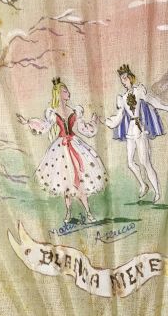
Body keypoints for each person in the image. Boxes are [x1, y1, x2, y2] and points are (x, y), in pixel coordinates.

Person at [21, 77, 105, 221]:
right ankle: (68, 212)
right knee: (66, 182)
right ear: (59, 94)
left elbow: (83, 128)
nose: (68, 93)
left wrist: (93, 122)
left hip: (75, 145)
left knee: (80, 181)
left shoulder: (75, 111)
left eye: (67, 91)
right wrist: (28, 122)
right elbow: (45, 126)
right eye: (65, 91)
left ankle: (88, 213)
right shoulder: (53, 113)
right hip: (61, 149)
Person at [104, 64, 168, 202]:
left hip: (140, 129)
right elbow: (118, 118)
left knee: (145, 162)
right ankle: (143, 185)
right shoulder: (122, 98)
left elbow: (153, 102)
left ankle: (157, 192)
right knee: (130, 162)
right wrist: (105, 121)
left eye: (125, 78)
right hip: (130, 131)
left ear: (131, 78)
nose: (123, 81)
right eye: (121, 79)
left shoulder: (139, 91)